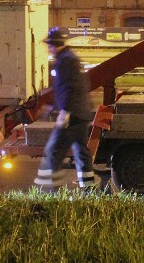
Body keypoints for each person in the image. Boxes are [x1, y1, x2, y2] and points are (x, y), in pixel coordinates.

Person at [34, 27, 97, 192]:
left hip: (72, 116)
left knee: (53, 151)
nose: (48, 48)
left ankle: (52, 191)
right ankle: (88, 189)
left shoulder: (64, 61)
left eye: (49, 45)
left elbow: (69, 88)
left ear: (54, 45)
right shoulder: (72, 58)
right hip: (82, 114)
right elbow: (72, 87)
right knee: (81, 153)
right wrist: (50, 107)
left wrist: (64, 111)